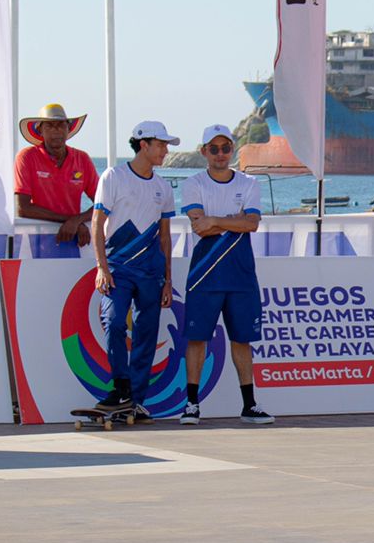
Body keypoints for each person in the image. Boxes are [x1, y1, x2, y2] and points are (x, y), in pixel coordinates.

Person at [178, 125, 273, 426]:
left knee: (242, 340)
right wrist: (236, 220)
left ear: (232, 149)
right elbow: (198, 226)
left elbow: (253, 224)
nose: (221, 154)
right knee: (197, 339)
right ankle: (191, 405)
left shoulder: (249, 182)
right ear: (204, 151)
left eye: (226, 148)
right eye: (214, 149)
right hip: (204, 273)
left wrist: (216, 219)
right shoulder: (193, 183)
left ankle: (249, 405)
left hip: (240, 273)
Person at [90, 122, 178, 418]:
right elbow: (96, 224)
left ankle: (136, 400)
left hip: (151, 270)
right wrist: (101, 267)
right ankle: (121, 387)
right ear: (144, 144)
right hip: (118, 266)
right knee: (114, 322)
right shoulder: (114, 176)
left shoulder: (163, 187)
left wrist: (168, 281)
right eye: (162, 144)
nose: (166, 150)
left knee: (146, 333)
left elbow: (165, 237)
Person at [14, 102, 98, 245]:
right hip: (34, 240)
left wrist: (77, 220)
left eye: (61, 125)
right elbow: (22, 208)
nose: (56, 131)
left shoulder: (82, 159)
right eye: (49, 126)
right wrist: (70, 221)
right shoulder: (27, 157)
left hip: (73, 240)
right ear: (40, 130)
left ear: (68, 128)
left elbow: (103, 202)